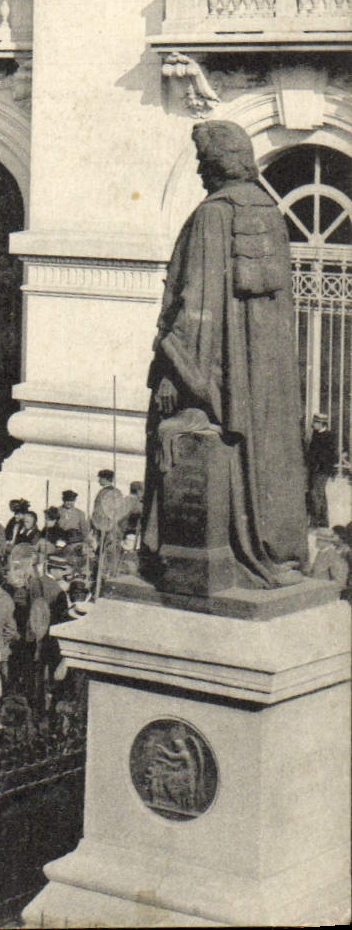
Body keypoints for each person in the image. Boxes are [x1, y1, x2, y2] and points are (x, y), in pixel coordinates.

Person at [143, 119, 307, 589]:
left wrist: (175, 367)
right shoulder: (268, 209)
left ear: (217, 163)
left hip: (214, 374)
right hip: (262, 376)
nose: (197, 169)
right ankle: (269, 544)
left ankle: (226, 550)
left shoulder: (214, 215)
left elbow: (195, 304)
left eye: (202, 160)